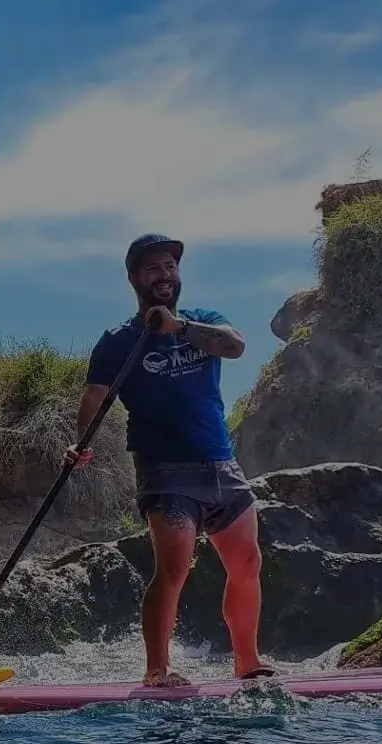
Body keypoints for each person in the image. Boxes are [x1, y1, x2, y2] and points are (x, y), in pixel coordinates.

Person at [64, 233, 275, 688]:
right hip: (166, 472)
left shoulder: (202, 323)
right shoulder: (118, 341)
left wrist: (177, 328)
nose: (165, 274)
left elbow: (235, 346)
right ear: (135, 279)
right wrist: (80, 442)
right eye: (154, 268)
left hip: (222, 466)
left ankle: (247, 660)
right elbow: (95, 397)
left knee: (248, 564)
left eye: (171, 266)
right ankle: (157, 669)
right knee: (175, 569)